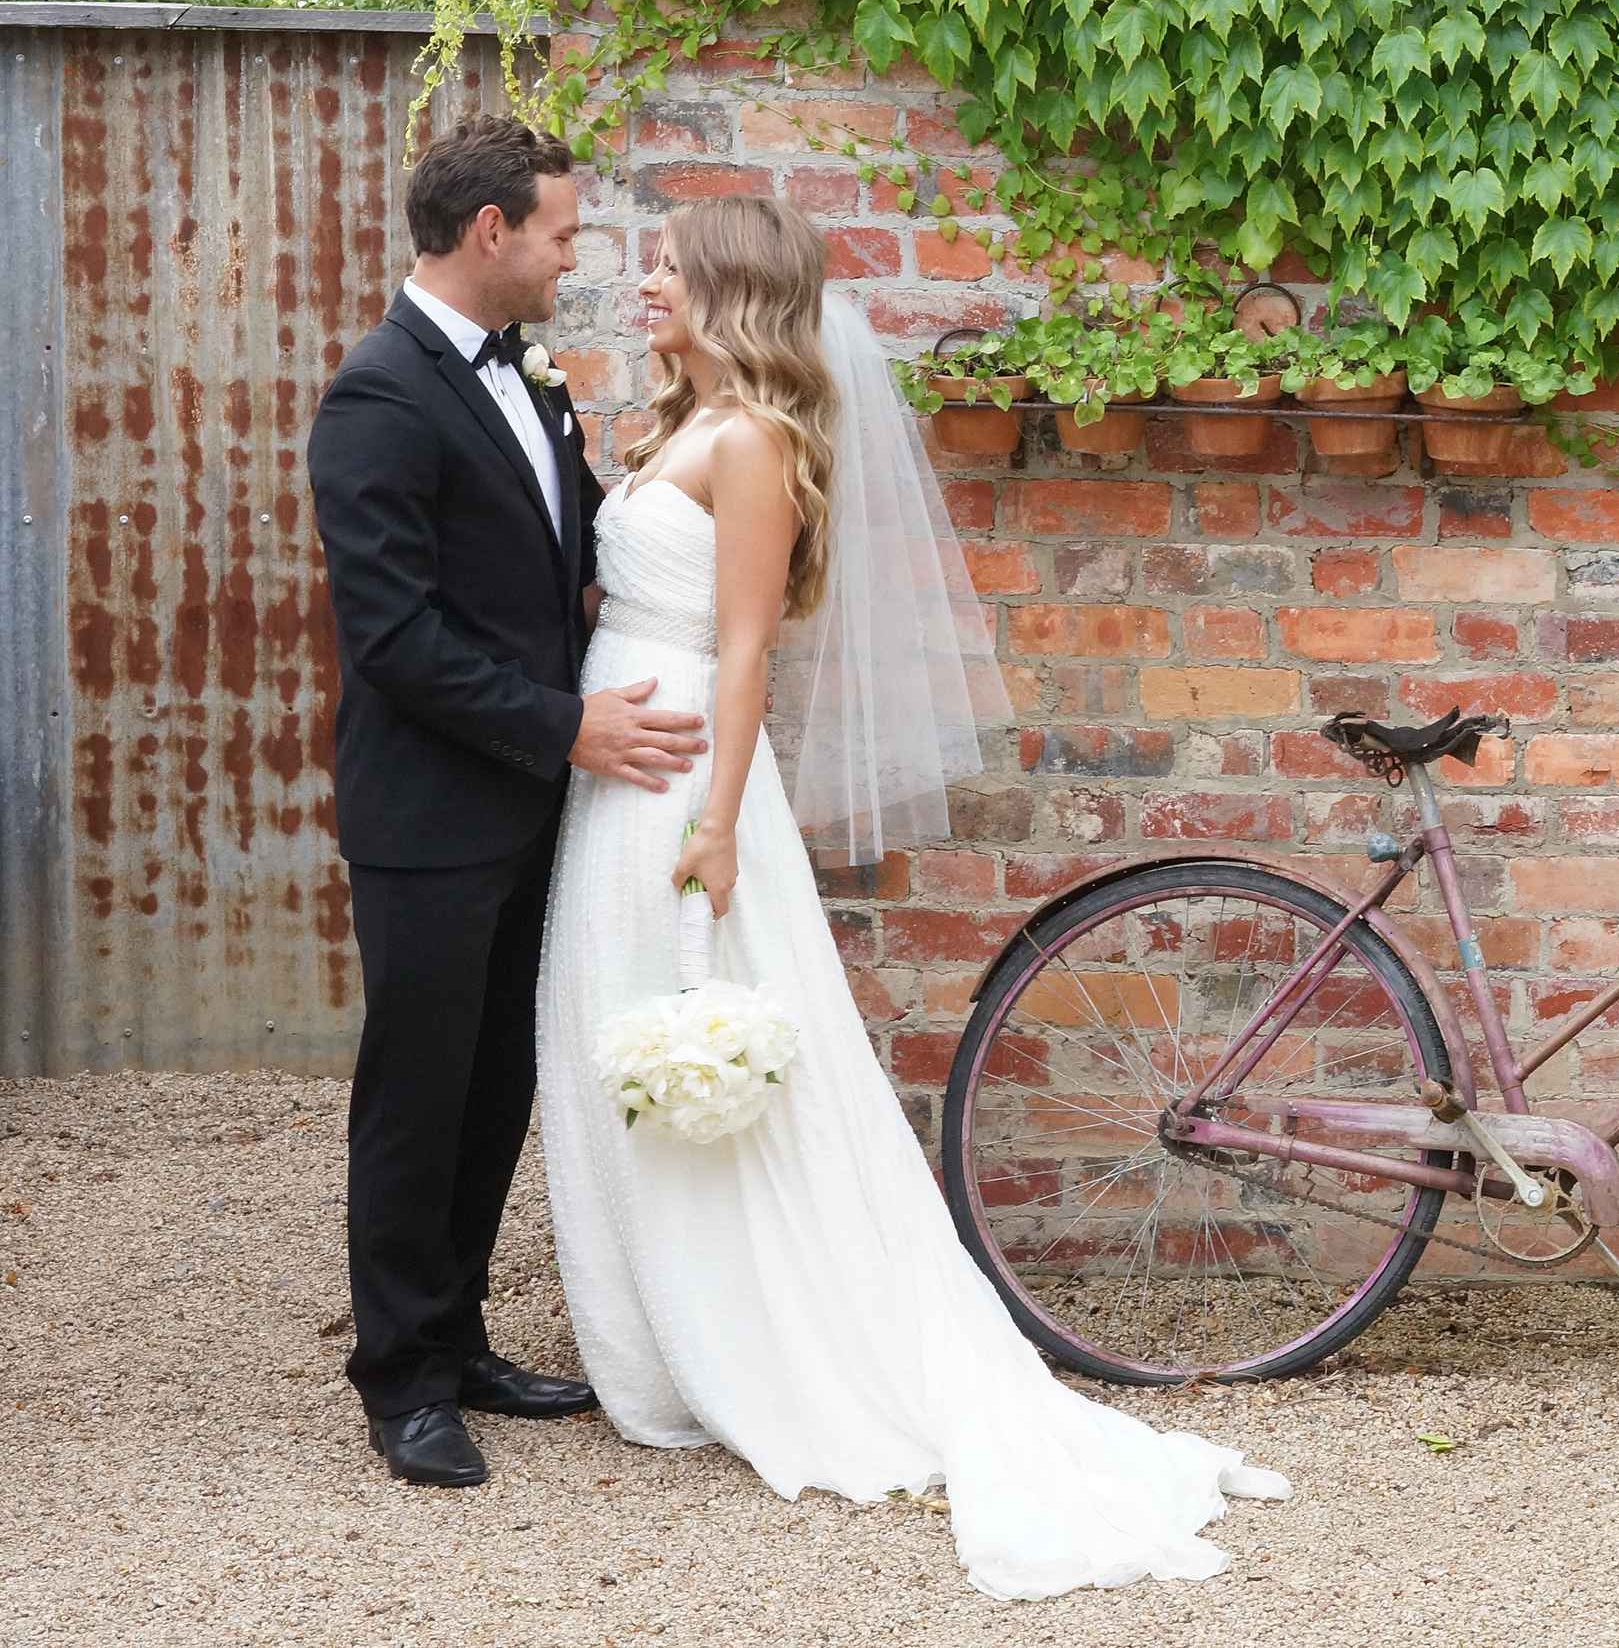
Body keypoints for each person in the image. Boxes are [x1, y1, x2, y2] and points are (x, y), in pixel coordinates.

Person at [531, 194, 1287, 1599]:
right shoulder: (675, 426)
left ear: (730, 291)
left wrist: (714, 826)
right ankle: (670, 1338)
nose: (642, 282)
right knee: (610, 1028)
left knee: (690, 1034)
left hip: (682, 772)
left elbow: (746, 649)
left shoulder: (751, 441)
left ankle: (760, 1344)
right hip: (617, 761)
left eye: (669, 268)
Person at [306, 116, 709, 1488]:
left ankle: (459, 1329)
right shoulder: (377, 395)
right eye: (558, 231)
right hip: (428, 816)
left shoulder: (529, 375)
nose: (569, 254)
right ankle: (401, 1378)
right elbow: (395, 635)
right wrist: (567, 724)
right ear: (491, 233)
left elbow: (574, 548)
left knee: (499, 1083)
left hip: (538, 800)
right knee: (418, 1092)